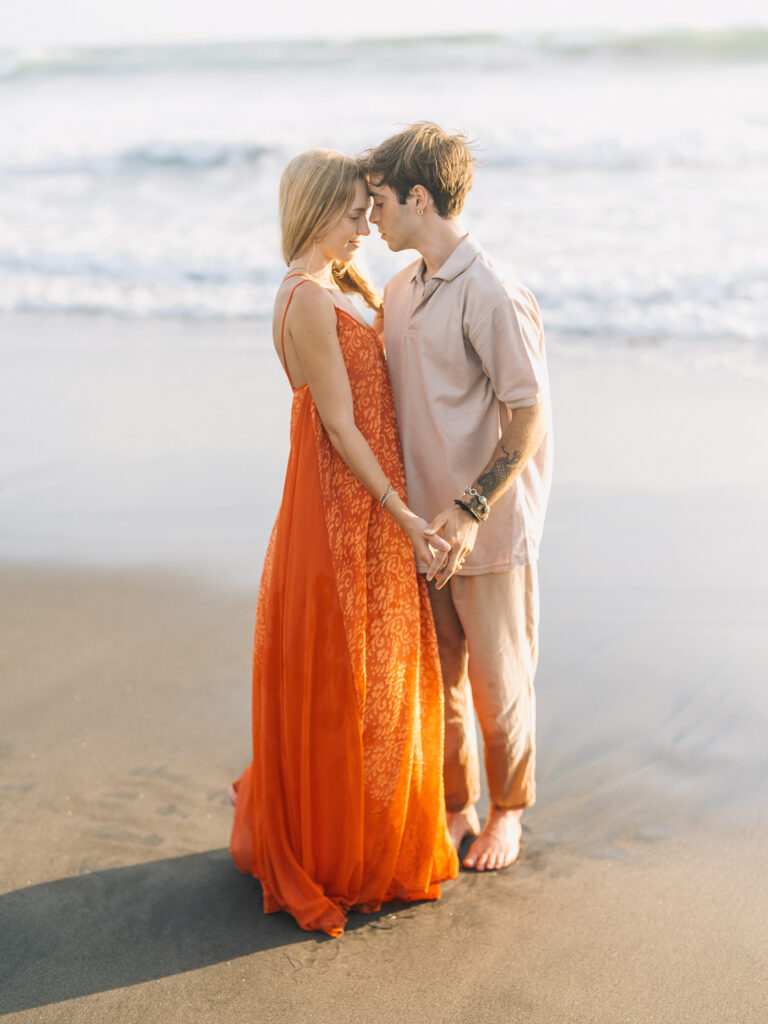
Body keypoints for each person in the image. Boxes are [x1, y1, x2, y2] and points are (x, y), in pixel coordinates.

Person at [229, 149, 458, 938]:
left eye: (370, 212)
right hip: (345, 506)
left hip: (366, 502)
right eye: (355, 213)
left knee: (378, 672)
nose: (366, 227)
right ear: (317, 209)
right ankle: (341, 847)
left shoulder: (340, 284)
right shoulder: (303, 298)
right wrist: (401, 510)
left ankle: (371, 827)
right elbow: (337, 423)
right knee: (353, 677)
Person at [363, 123, 552, 872]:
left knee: (499, 681)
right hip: (421, 528)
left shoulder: (494, 293)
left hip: (488, 525)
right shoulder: (401, 287)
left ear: (419, 196)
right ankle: (457, 804)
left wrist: (471, 510)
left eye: (379, 202)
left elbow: (530, 413)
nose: (370, 217)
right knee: (438, 681)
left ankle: (509, 813)